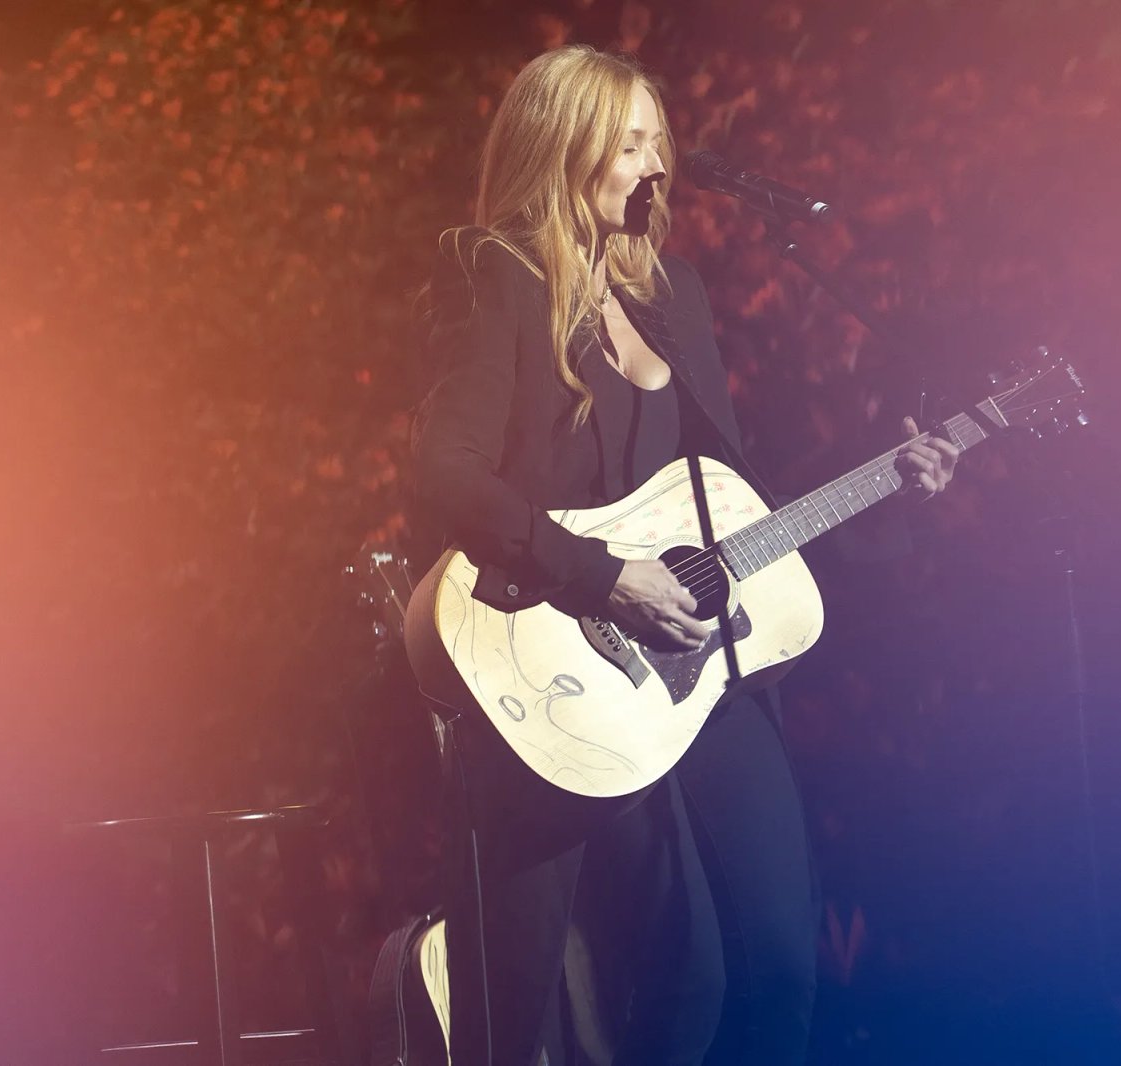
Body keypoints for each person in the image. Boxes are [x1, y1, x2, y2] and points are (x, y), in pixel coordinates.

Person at [410, 45, 959, 1066]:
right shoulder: (497, 277)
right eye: (626, 144)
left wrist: (888, 489)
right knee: (669, 978)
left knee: (780, 963)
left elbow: (732, 501)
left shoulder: (677, 297)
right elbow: (443, 477)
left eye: (658, 141)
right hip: (568, 663)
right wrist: (608, 579)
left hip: (701, 673)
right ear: (560, 148)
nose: (654, 165)